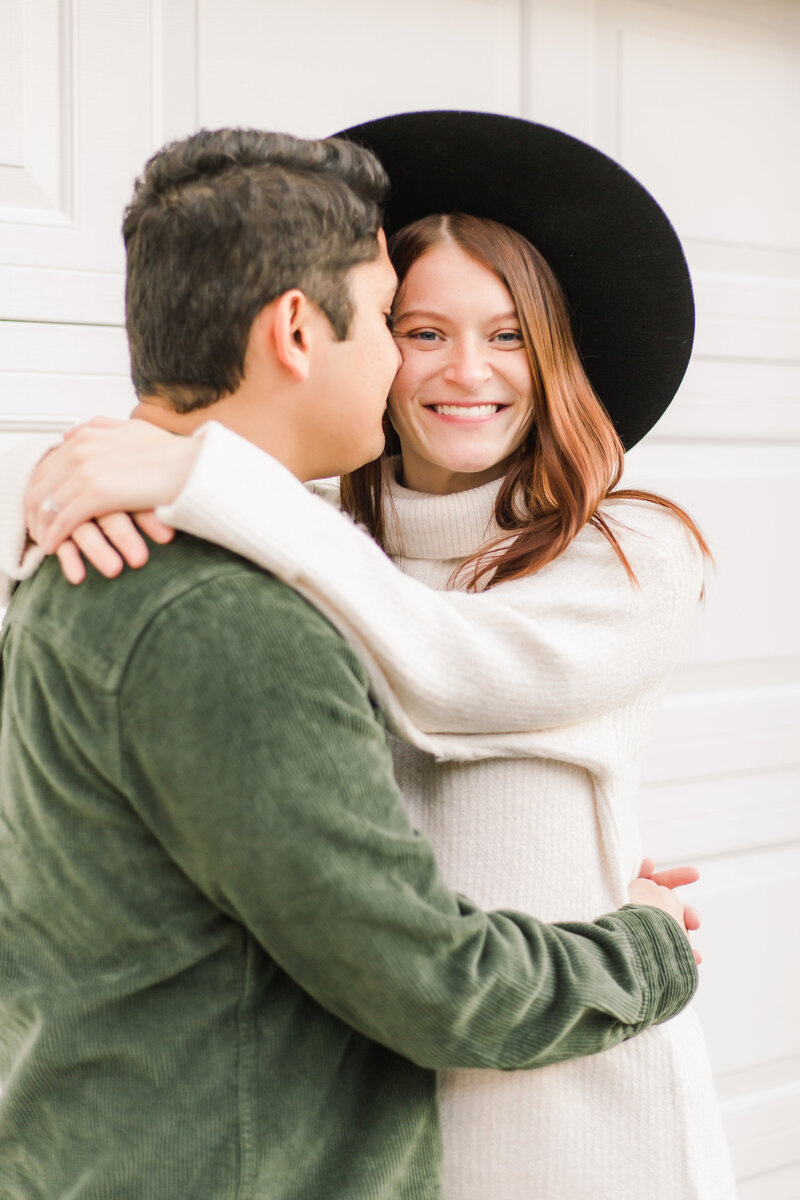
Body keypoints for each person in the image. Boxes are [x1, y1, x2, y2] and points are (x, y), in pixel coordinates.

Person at [0, 126, 706, 1200]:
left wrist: (194, 467)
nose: (460, 370)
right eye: (410, 328)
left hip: (558, 1085)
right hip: (379, 1082)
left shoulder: (625, 552)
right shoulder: (287, 548)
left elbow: (453, 667)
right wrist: (89, 498)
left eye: (509, 335)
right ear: (304, 332)